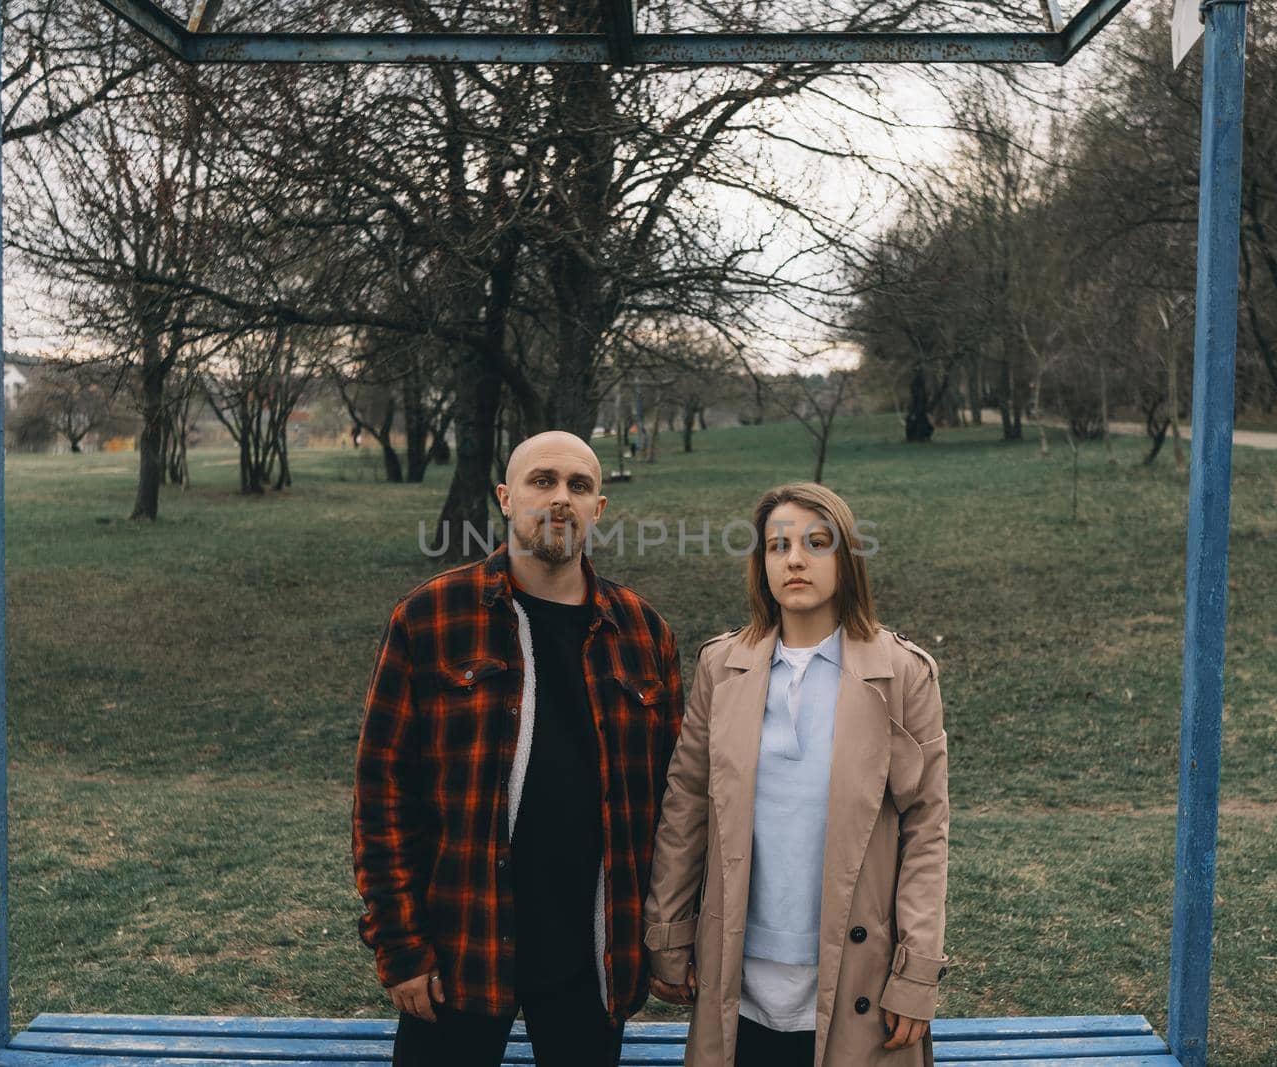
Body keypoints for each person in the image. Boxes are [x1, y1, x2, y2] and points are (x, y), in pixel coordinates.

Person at [352, 430, 685, 1067]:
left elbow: (674, 809)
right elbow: (382, 799)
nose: (560, 498)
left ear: (598, 509)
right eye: (542, 481)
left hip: (592, 953)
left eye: (578, 486)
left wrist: (666, 937)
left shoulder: (643, 632)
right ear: (506, 497)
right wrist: (398, 945)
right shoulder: (430, 618)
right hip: (460, 945)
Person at [644, 482, 950, 1067]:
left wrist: (917, 974)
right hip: (738, 977)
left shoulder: (903, 675)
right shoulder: (721, 665)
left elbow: (926, 830)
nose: (795, 559)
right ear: (761, 565)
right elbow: (686, 806)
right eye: (777, 545)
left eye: (816, 543)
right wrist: (670, 931)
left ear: (847, 559)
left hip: (858, 980)